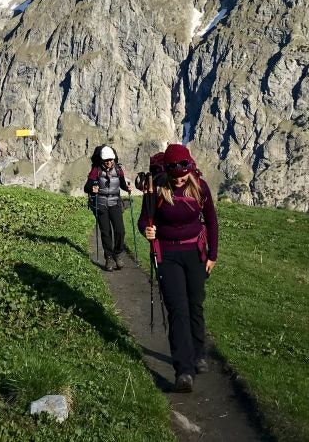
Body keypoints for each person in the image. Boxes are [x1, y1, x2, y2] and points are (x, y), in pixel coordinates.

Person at [137, 143, 218, 393]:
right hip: (168, 255)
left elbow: (212, 220)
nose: (181, 178)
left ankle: (197, 352)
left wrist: (212, 255)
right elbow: (144, 221)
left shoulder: (200, 187)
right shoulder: (157, 189)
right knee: (177, 309)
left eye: (184, 173)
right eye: (176, 175)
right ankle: (184, 370)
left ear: (190, 168)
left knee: (195, 303)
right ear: (169, 173)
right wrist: (147, 231)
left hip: (195, 253)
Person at [85, 144, 132, 271]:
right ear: (102, 160)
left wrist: (127, 188)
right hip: (100, 204)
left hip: (115, 203)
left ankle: (117, 254)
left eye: (111, 160)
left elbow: (122, 184)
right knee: (106, 232)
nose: (109, 162)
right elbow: (86, 187)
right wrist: (92, 188)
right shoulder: (96, 170)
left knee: (120, 230)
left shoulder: (118, 169)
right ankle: (109, 258)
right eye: (107, 160)